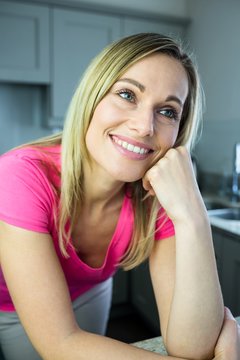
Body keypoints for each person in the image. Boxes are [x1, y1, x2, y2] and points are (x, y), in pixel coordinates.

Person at [0, 32, 237, 360]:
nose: (144, 127)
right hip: (8, 305)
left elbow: (193, 347)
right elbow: (59, 343)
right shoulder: (20, 175)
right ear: (92, 97)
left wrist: (194, 214)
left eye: (167, 111)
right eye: (127, 94)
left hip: (90, 291)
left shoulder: (160, 194)